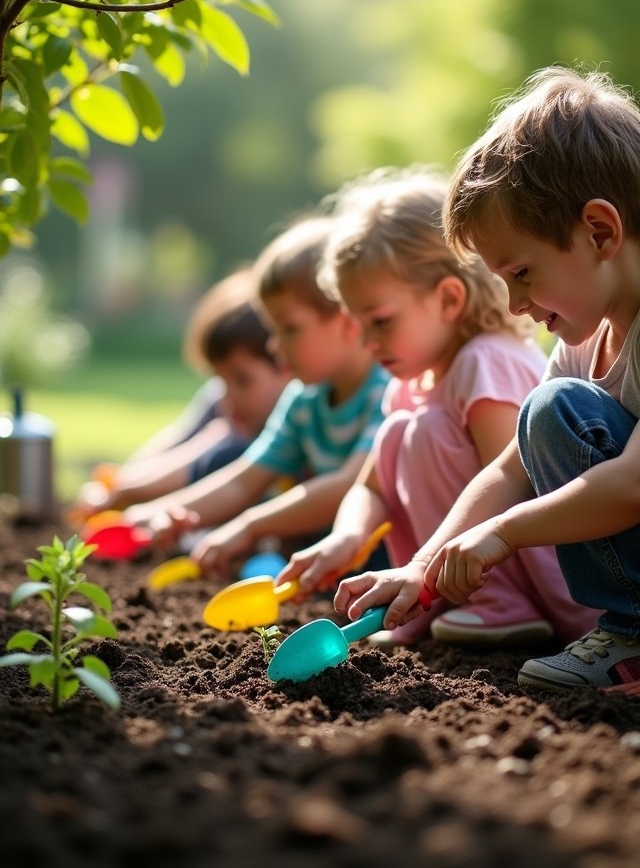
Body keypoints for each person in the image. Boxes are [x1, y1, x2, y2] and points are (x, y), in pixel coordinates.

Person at [334, 67, 640, 695]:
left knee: (551, 405)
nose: (514, 302)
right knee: (546, 411)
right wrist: (423, 567)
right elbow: (509, 468)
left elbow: (634, 484)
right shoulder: (582, 346)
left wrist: (502, 533)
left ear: (601, 232)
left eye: (523, 272)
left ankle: (632, 637)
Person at [277, 166, 594, 646]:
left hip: (555, 573)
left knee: (423, 429)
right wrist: (347, 536)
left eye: (380, 321)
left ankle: (498, 604)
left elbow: (515, 483)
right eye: (358, 323)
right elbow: (372, 486)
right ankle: (431, 598)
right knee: (400, 430)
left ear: (447, 299)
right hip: (462, 564)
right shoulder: (412, 382)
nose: (367, 340)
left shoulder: (485, 361)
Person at [124, 213, 390, 577]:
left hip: (386, 561)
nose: (275, 346)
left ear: (347, 319)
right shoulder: (303, 398)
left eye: (289, 329)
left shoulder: (387, 388)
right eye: (272, 329)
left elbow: (348, 485)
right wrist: (162, 513)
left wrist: (251, 525)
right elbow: (245, 479)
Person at [72, 267, 290, 516]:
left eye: (241, 380)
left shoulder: (275, 429)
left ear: (286, 364)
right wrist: (123, 482)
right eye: (220, 379)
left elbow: (201, 465)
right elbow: (180, 440)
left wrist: (127, 492)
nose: (225, 397)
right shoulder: (225, 403)